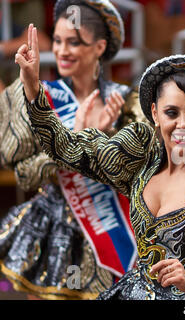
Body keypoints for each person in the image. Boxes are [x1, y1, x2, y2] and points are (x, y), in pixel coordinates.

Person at [16, 20, 185, 299]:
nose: (182, 125)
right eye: (171, 113)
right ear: (154, 113)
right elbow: (66, 149)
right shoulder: (137, 165)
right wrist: (33, 89)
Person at [0, 0, 146, 299]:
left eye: (74, 42)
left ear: (100, 47)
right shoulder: (37, 96)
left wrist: (102, 138)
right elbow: (25, 176)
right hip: (54, 230)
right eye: (57, 41)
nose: (62, 51)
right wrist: (72, 141)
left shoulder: (127, 102)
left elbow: (139, 174)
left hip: (114, 227)